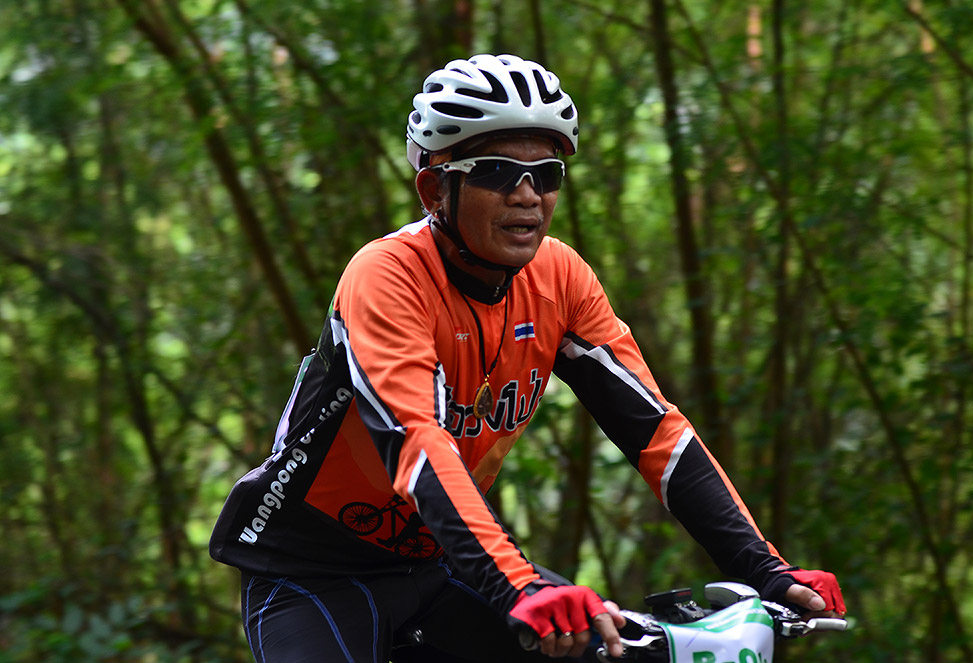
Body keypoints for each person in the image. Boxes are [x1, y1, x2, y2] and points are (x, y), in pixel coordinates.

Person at [209, 53, 846, 663]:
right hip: (310, 572)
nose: (527, 195)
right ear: (434, 189)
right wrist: (522, 586)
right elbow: (418, 444)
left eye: (546, 175)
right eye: (495, 172)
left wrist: (763, 569)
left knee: (608, 647)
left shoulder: (559, 278)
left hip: (439, 564)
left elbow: (655, 432)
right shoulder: (387, 276)